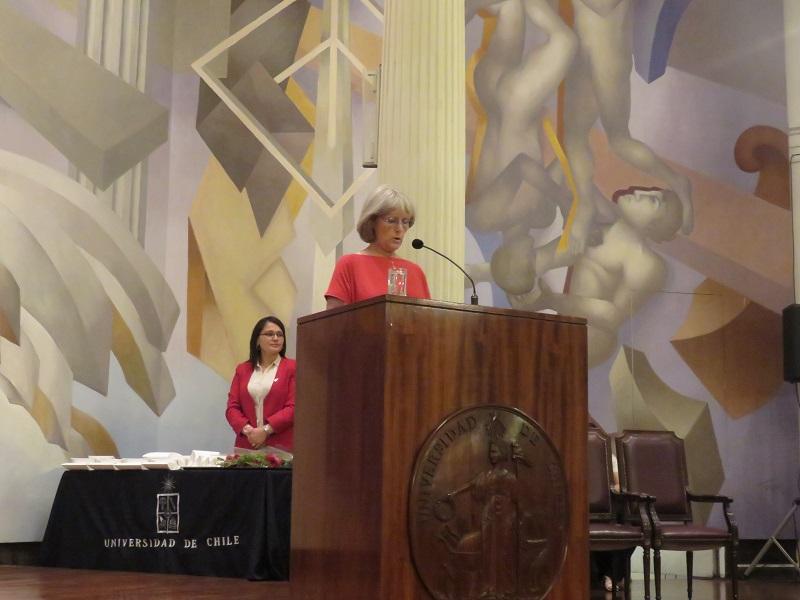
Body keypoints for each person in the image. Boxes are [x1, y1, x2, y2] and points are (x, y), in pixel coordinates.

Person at [325, 184, 431, 308]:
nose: (399, 229)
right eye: (391, 220)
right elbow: (333, 321)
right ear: (372, 222)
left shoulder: (415, 271)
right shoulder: (350, 264)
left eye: (405, 222)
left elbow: (428, 320)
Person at [225, 316, 295, 453]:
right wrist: (249, 431)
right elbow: (232, 408)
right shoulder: (242, 369)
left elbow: (293, 408)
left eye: (280, 335)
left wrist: (266, 430)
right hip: (247, 445)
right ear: (257, 340)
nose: (276, 338)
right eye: (270, 334)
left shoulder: (292, 367)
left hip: (280, 447)